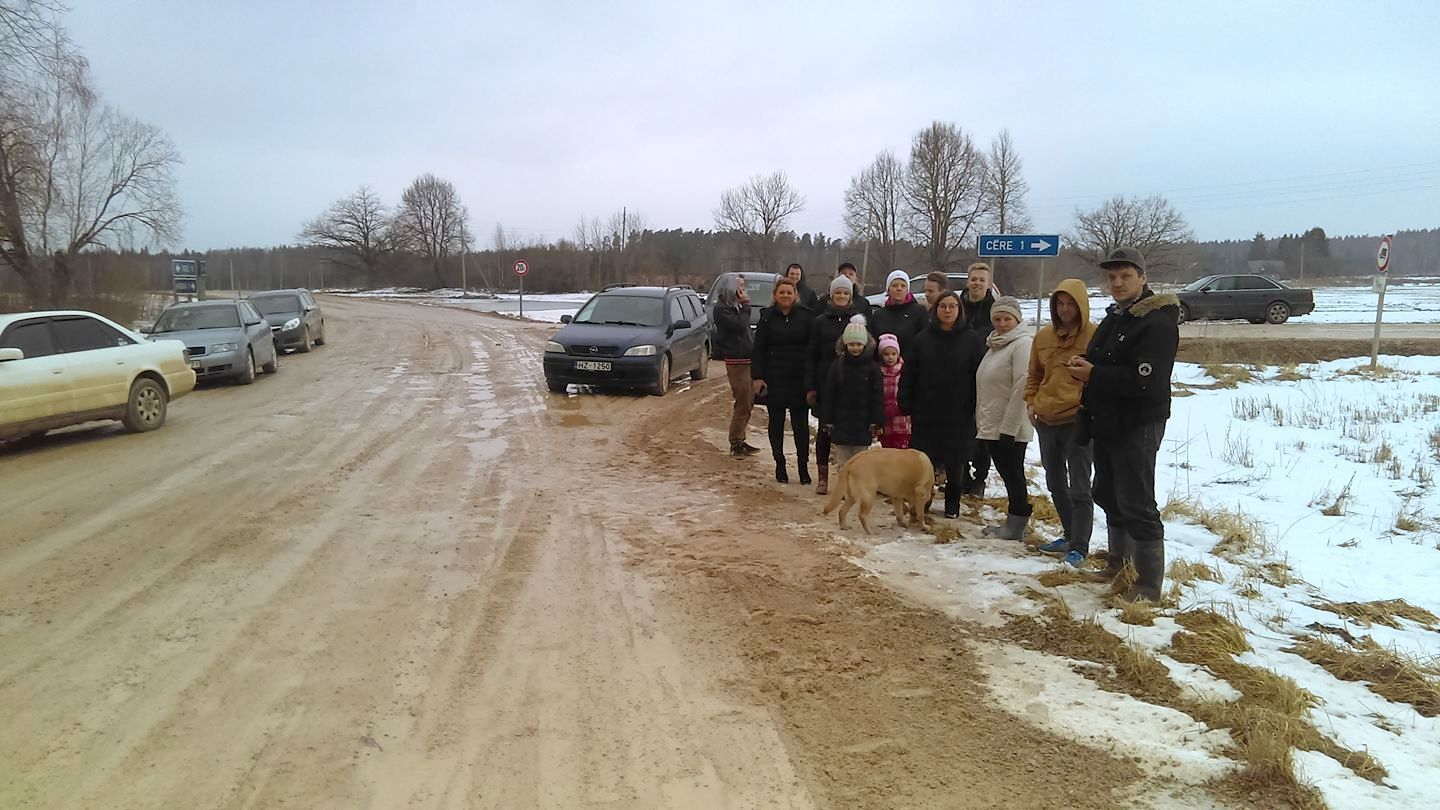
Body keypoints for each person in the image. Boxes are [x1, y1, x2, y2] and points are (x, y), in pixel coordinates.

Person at [1066, 247, 1180, 603]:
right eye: (1112, 277)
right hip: (1107, 420)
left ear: (1143, 278)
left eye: (1125, 276)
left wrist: (1095, 373)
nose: (1117, 283)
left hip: (1138, 423)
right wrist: (1084, 362)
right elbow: (1103, 359)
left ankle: (1147, 586)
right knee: (1107, 492)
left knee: (1137, 500)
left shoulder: (1157, 321)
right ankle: (1119, 562)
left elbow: (1147, 380)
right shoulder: (1117, 317)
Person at [1025, 279, 1099, 568]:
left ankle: (1080, 546)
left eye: (1070, 303)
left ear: (1081, 305)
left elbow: (1100, 376)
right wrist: (1031, 402)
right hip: (1046, 418)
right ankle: (1068, 535)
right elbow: (1033, 375)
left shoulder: (1094, 336)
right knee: (1055, 482)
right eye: (1060, 303)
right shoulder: (1043, 337)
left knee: (1080, 486)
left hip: (1077, 419)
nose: (1065, 309)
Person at [899, 291, 985, 519]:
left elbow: (980, 376)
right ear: (935, 310)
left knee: (956, 462)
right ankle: (922, 503)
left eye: (952, 307)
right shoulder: (922, 339)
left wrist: (978, 406)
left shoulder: (972, 339)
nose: (947, 311)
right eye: (943, 306)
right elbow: (909, 373)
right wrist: (904, 401)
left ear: (959, 311)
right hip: (926, 411)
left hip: (960, 411)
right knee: (924, 463)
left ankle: (952, 505)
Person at [974, 296, 1036, 540]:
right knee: (1007, 472)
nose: (1001, 323)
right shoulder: (996, 344)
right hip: (992, 422)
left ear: (1017, 319)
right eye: (997, 319)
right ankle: (1014, 520)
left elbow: (1022, 385)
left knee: (1013, 473)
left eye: (1007, 319)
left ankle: (1017, 524)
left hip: (1009, 426)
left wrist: (1009, 427)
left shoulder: (1022, 344)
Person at [806, 275, 869, 495]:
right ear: (831, 295)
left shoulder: (859, 320)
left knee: (851, 434)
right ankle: (823, 478)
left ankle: (852, 480)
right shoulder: (820, 322)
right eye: (837, 293)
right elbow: (811, 355)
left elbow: (869, 349)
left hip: (853, 385)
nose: (841, 296)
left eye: (845, 293)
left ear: (850, 296)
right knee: (825, 432)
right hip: (826, 385)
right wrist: (811, 386)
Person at [752, 278, 813, 484]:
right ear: (775, 295)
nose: (786, 296)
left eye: (789, 292)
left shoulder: (806, 317)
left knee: (800, 425)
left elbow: (812, 350)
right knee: (776, 424)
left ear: (795, 295)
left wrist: (811, 380)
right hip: (774, 378)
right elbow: (758, 349)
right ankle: (780, 463)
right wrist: (757, 377)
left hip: (799, 379)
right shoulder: (767, 318)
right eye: (782, 292)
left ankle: (803, 467)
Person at [820, 316, 883, 472]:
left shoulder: (873, 368)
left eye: (858, 344)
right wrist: (827, 419)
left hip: (863, 423)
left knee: (861, 461)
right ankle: (845, 488)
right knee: (843, 461)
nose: (855, 348)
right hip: (841, 422)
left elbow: (877, 396)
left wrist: (877, 420)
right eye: (851, 344)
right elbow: (830, 394)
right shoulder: (837, 366)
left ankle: (857, 490)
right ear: (845, 344)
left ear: (865, 345)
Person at [959, 261, 997, 497]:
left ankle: (980, 478)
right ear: (968, 281)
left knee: (983, 431)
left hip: (985, 377)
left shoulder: (995, 309)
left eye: (982, 280)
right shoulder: (957, 306)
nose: (977, 283)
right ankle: (961, 474)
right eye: (974, 279)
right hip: (960, 376)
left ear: (988, 284)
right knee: (960, 428)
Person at [713, 274, 760, 457]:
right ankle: (736, 442)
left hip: (747, 358)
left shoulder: (735, 306)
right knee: (743, 401)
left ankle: (740, 438)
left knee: (748, 401)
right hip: (736, 361)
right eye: (740, 286)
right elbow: (739, 326)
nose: (743, 290)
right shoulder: (722, 309)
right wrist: (747, 305)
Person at [869, 270, 928, 356]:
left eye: (903, 286)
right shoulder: (879, 315)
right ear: (888, 289)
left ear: (907, 290)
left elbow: (924, 342)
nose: (899, 288)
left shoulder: (919, 312)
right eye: (895, 285)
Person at [877, 333, 910, 449]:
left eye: (893, 354)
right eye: (886, 354)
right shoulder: (878, 373)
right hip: (884, 420)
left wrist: (899, 406)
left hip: (901, 420)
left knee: (902, 450)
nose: (890, 357)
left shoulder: (904, 371)